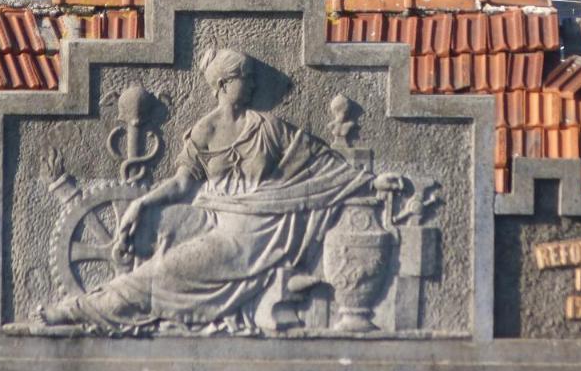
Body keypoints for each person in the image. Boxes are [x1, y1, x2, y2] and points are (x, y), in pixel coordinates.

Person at [37, 48, 374, 333]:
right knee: (159, 242)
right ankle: (89, 305)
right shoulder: (204, 130)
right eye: (247, 77)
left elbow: (326, 163)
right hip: (219, 222)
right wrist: (141, 203)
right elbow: (183, 183)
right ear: (224, 84)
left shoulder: (268, 126)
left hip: (254, 234)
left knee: (157, 275)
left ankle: (78, 310)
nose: (254, 83)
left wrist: (371, 182)